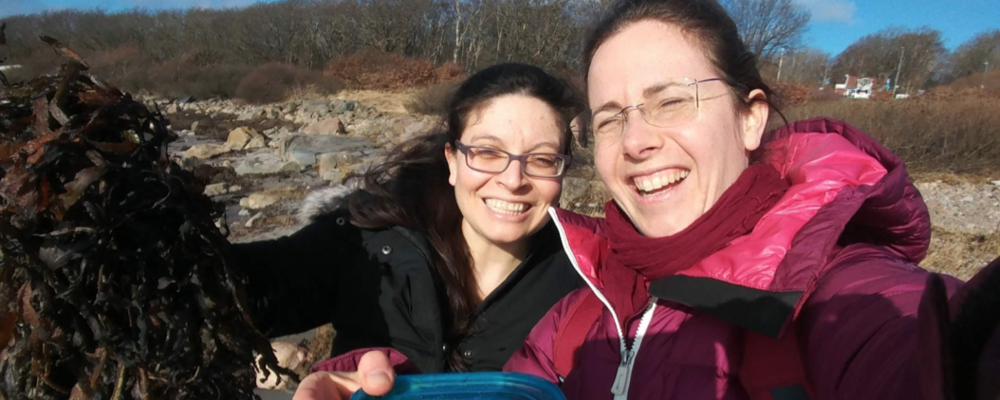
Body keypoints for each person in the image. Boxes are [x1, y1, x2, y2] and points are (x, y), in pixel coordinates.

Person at [291, 0, 1000, 399]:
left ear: (751, 117)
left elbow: (937, 345)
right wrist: (376, 386)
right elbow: (506, 397)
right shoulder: (583, 310)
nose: (635, 142)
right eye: (610, 117)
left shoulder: (850, 297)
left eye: (669, 103)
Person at [236, 63, 585, 378]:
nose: (513, 180)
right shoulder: (370, 240)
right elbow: (247, 290)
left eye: (541, 159)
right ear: (452, 160)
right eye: (488, 152)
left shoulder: (590, 281)